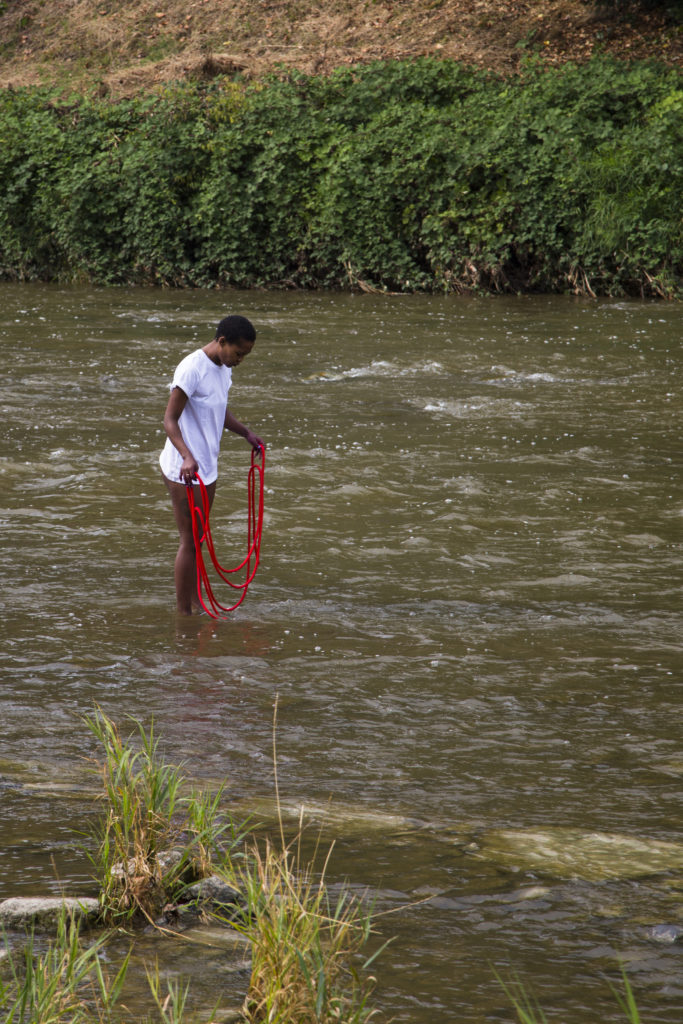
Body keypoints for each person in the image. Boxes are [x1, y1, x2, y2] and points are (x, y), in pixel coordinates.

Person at [160, 314, 265, 615]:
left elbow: (218, 409)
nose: (241, 360)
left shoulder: (223, 368)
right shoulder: (192, 368)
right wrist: (186, 456)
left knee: (199, 539)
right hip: (183, 469)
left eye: (245, 355)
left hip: (206, 467)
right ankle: (184, 615)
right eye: (238, 353)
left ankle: (195, 601)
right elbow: (169, 420)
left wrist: (246, 432)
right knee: (189, 540)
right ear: (221, 342)